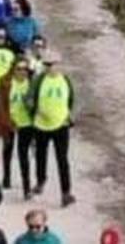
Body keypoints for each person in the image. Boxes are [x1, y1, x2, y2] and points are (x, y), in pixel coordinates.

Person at [26, 52, 75, 207]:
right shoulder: (38, 80)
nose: (49, 67)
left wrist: (68, 115)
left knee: (63, 160)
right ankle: (40, 181)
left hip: (61, 125)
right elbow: (29, 98)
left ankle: (66, 193)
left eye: (52, 64)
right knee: (41, 156)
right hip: (41, 125)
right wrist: (34, 110)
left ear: (58, 64)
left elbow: (71, 99)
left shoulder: (65, 80)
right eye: (46, 64)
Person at [0, 57, 35, 197]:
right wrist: (7, 121)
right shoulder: (5, 82)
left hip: (26, 123)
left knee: (23, 155)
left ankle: (26, 187)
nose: (22, 72)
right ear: (13, 69)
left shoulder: (32, 84)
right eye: (19, 69)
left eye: (25, 69)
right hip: (9, 122)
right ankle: (6, 177)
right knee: (8, 150)